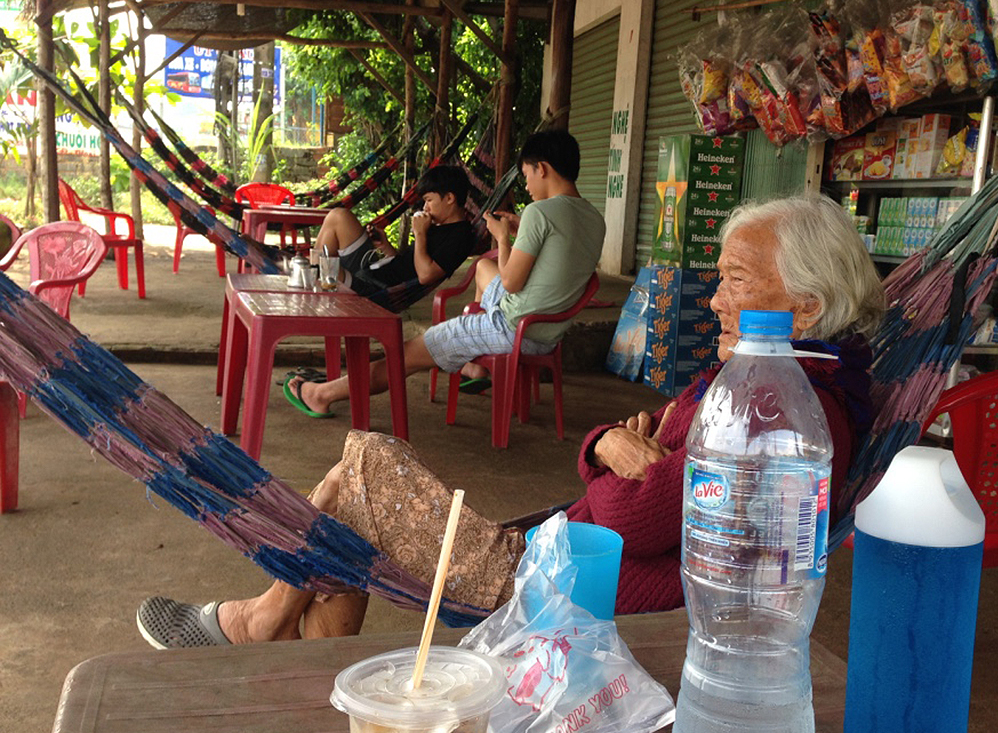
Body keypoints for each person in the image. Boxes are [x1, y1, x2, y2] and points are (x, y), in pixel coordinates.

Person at [136, 193, 886, 648]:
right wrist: (608, 443)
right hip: (559, 550)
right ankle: (270, 634)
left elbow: (632, 514)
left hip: (560, 585)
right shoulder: (770, 384)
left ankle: (255, 626)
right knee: (351, 510)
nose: (716, 301)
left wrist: (620, 456)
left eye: (734, 281)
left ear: (808, 306)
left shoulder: (773, 413)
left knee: (366, 465)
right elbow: (617, 448)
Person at [284, 129, 607, 418]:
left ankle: (320, 394)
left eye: (526, 175)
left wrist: (503, 237)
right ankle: (474, 366)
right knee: (483, 268)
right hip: (545, 334)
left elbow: (510, 282)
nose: (525, 184)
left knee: (405, 352)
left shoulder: (539, 213)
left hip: (510, 327)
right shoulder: (595, 219)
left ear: (543, 169)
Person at [313, 164, 477, 299]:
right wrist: (385, 246)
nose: (425, 207)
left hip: (372, 289)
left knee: (325, 267)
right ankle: (310, 274)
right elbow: (405, 265)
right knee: (339, 217)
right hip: (372, 272)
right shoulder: (438, 226)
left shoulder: (461, 235)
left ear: (449, 198)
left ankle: (308, 277)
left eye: (429, 200)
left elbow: (425, 276)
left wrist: (420, 234)